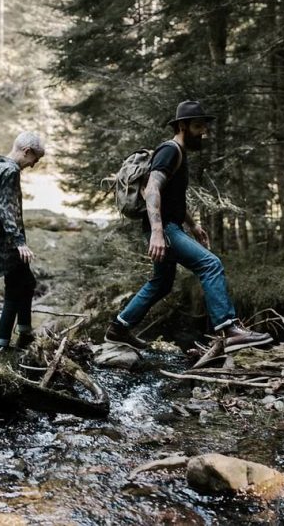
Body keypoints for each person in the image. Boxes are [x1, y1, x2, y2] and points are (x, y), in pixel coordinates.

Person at [104, 101, 273, 361]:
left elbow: (173, 198)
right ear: (182, 126)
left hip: (168, 227)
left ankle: (119, 328)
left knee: (161, 283)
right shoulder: (170, 151)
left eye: (204, 125)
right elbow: (152, 190)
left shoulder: (178, 153)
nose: (203, 130)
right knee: (210, 264)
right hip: (164, 229)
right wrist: (159, 233)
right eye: (198, 126)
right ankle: (229, 330)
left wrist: (193, 225)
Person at [0, 131, 45, 349]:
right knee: (15, 289)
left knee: (27, 282)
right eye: (35, 159)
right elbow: (6, 209)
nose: (33, 165)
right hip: (7, 242)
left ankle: (24, 332)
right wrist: (19, 242)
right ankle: (3, 344)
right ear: (27, 151)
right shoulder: (11, 171)